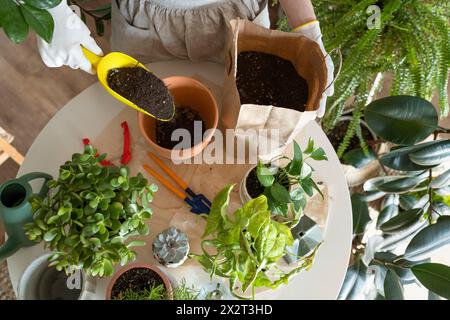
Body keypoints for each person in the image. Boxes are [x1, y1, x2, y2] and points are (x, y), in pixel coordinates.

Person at [38, 0, 333, 115]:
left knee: (243, 127)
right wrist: (43, 10)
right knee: (143, 124)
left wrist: (308, 29)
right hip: (144, 24)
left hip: (239, 19)